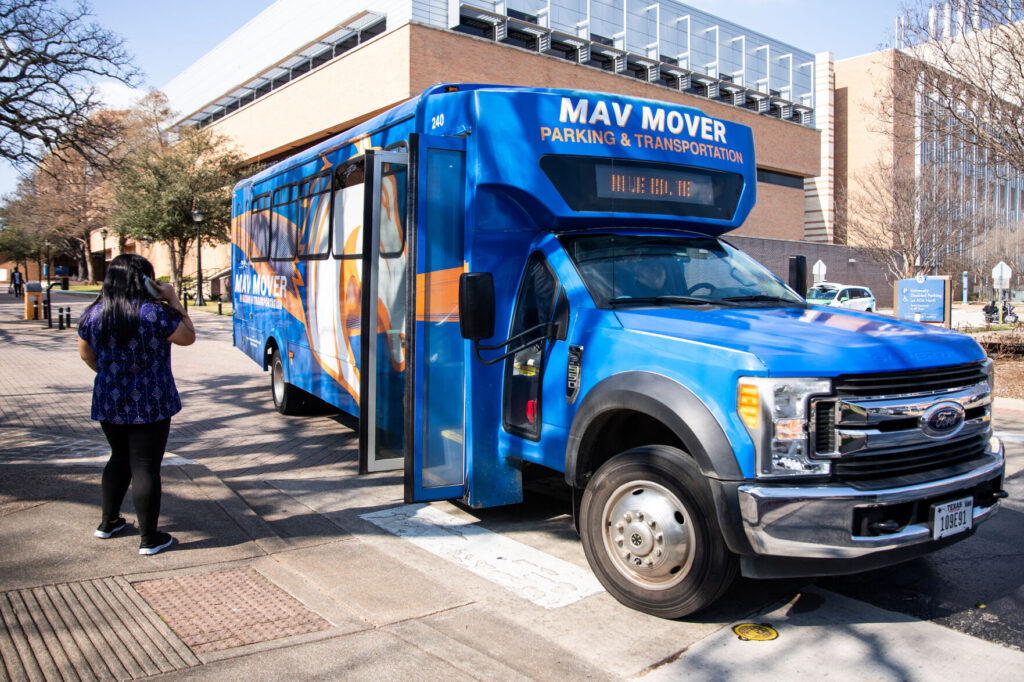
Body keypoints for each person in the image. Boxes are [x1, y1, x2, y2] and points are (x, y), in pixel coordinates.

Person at [77, 254, 195, 555]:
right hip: (151, 400)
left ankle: (109, 522)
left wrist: (113, 377)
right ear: (145, 281)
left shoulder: (93, 314)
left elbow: (87, 355)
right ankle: (149, 539)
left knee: (118, 458)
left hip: (109, 399)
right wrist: (173, 300)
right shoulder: (154, 314)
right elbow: (188, 338)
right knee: (145, 466)